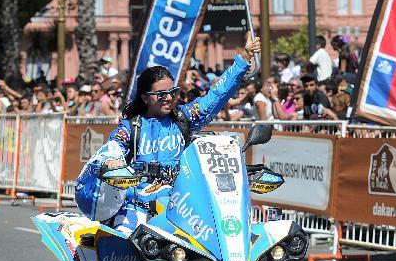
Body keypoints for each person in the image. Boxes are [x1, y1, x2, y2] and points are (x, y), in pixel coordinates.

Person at [76, 34, 261, 236]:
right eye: (161, 94)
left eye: (172, 92)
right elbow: (112, 149)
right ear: (146, 98)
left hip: (182, 209)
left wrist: (244, 58)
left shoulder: (185, 117)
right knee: (123, 243)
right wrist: (112, 162)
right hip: (137, 209)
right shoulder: (131, 127)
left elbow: (217, 95)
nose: (168, 98)